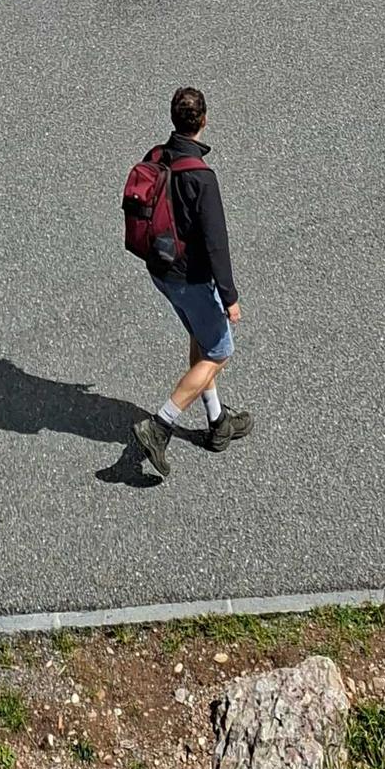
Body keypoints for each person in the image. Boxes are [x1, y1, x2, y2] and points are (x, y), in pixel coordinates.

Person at [133, 87, 252, 480]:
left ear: (173, 120)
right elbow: (217, 243)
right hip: (191, 277)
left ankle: (218, 423)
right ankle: (160, 425)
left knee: (201, 338)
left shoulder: (157, 156)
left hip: (160, 271)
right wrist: (230, 297)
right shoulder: (202, 178)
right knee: (219, 350)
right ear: (204, 120)